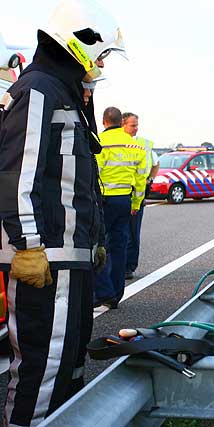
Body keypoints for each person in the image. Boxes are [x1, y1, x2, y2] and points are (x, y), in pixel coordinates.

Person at [0, 0, 124, 425]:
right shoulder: (39, 90)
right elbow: (17, 173)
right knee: (43, 368)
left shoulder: (69, 94)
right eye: (102, 52)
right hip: (45, 261)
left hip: (72, 260)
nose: (102, 62)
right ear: (81, 42)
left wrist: (98, 241)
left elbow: (85, 184)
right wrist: (29, 246)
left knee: (70, 363)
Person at [94, 107, 146, 308]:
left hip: (104, 201)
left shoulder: (99, 142)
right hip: (125, 201)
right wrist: (136, 203)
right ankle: (116, 293)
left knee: (98, 246)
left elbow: (95, 173)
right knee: (119, 246)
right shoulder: (136, 146)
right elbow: (141, 178)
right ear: (120, 122)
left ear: (104, 121)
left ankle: (103, 292)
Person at [122, 112, 159, 279]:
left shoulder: (144, 143)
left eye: (137, 125)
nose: (136, 128)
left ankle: (129, 266)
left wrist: (150, 179)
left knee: (132, 232)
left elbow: (156, 163)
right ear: (122, 124)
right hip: (116, 192)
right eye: (133, 125)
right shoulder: (115, 142)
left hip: (137, 193)